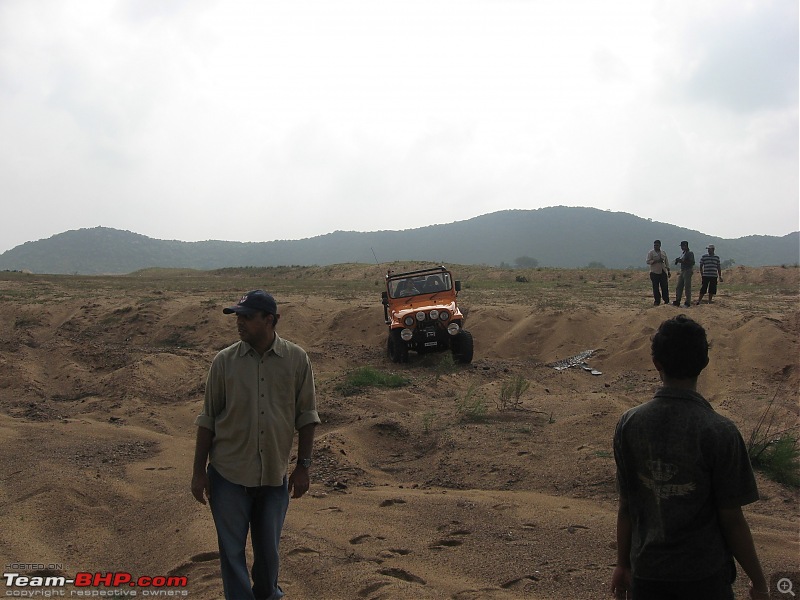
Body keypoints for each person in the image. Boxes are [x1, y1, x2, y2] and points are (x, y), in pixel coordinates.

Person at [610, 315, 770, 600]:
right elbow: (732, 519)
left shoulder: (629, 424)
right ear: (704, 363)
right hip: (705, 578)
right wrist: (758, 581)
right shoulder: (720, 431)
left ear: (656, 363)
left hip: (647, 575)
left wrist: (623, 565)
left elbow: (627, 505)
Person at [191, 289, 320, 600]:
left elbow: (307, 418)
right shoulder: (223, 362)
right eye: (238, 316)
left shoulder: (296, 359)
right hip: (228, 476)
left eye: (247, 317)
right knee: (232, 554)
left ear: (270, 320)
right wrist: (198, 472)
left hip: (274, 477)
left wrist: (303, 467)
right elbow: (207, 420)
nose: (240, 323)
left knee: (268, 556)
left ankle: (267, 593)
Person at [646, 240, 671, 305]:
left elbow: (666, 262)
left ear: (660, 245)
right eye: (654, 245)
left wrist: (668, 271)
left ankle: (666, 300)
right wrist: (655, 261)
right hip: (654, 272)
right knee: (655, 288)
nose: (655, 246)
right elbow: (648, 261)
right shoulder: (651, 253)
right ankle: (657, 301)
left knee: (665, 287)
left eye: (657, 245)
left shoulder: (663, 252)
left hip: (663, 271)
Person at [671, 241, 695, 308]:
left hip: (688, 270)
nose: (681, 248)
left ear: (685, 246)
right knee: (679, 286)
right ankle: (677, 300)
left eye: (682, 246)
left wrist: (682, 261)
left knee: (687, 287)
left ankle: (687, 302)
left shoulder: (690, 253)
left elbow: (692, 262)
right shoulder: (683, 253)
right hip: (683, 270)